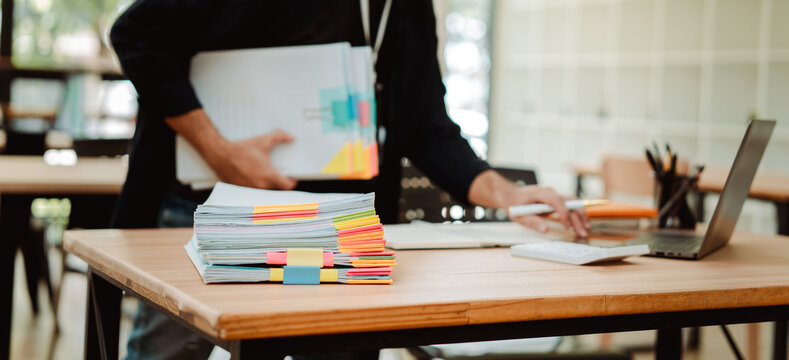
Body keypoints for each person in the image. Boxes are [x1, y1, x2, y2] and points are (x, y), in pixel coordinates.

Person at [109, 1, 590, 359]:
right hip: (214, 212)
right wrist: (219, 150)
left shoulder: (404, 8)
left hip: (339, 229)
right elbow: (135, 36)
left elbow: (427, 124)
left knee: (343, 351)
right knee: (168, 353)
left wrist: (511, 195)